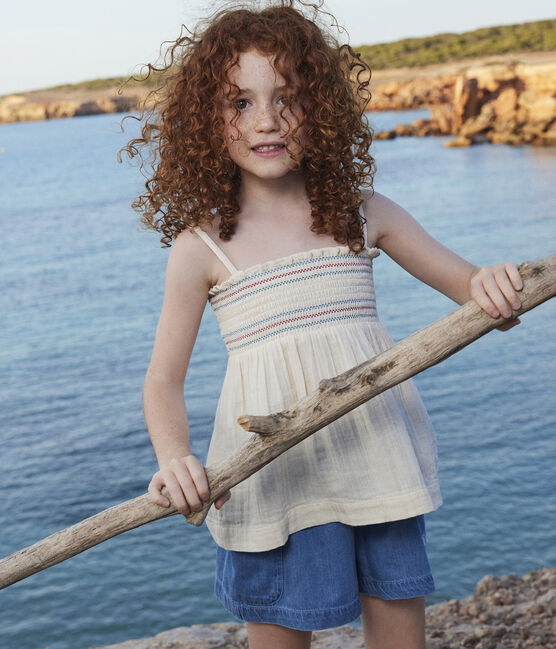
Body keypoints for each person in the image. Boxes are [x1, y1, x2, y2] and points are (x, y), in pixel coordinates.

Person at [119, 2, 522, 648]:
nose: (268, 120)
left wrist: (494, 286)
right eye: (240, 103)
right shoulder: (201, 247)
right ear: (206, 120)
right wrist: (174, 457)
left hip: (379, 463)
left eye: (287, 97)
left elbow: (473, 292)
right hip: (270, 477)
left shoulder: (362, 213)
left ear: (322, 106)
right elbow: (162, 380)